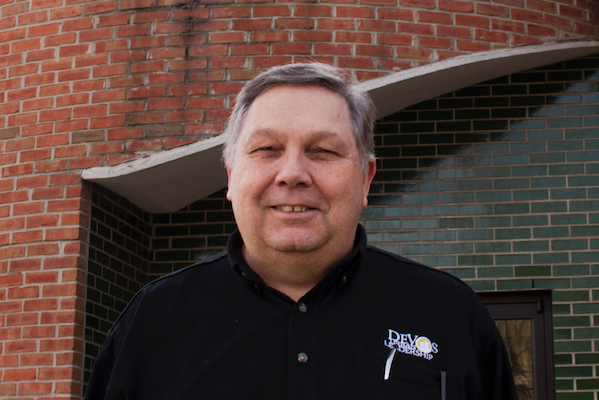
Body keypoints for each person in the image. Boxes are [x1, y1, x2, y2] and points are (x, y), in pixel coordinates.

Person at [85, 63, 517, 399]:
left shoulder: (451, 316)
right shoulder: (153, 322)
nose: (292, 173)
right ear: (232, 177)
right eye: (267, 149)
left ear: (365, 179)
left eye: (323, 151)